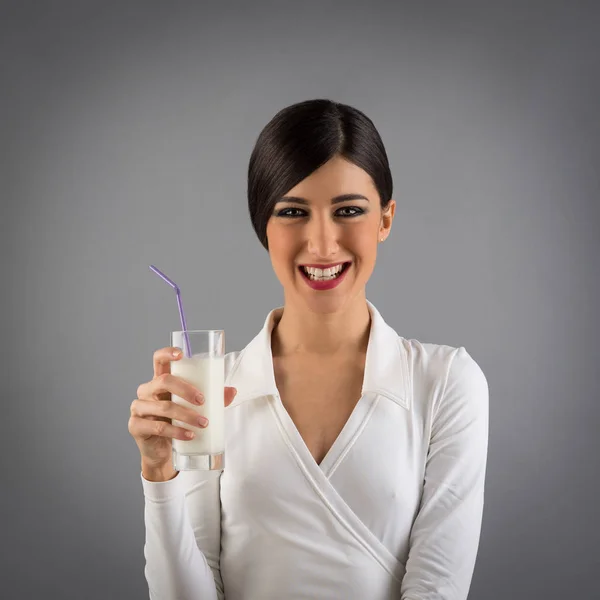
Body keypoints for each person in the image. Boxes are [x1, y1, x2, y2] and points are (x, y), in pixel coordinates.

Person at [128, 99, 489, 600]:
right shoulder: (210, 394)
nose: (321, 244)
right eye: (293, 212)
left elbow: (437, 588)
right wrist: (158, 473)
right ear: (264, 228)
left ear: (385, 219)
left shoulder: (446, 383)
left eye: (348, 211)